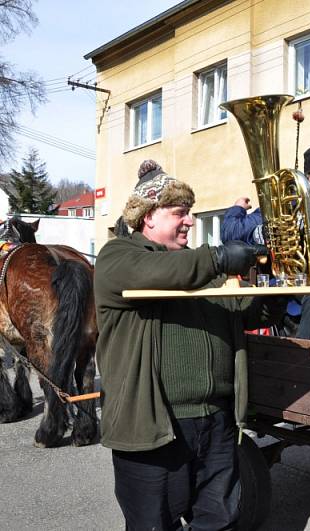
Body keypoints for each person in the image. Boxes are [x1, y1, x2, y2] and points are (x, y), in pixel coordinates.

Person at [94, 160, 278, 530]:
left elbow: (245, 313)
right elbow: (160, 273)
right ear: (147, 217)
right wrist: (221, 257)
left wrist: (277, 274)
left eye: (190, 213)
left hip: (216, 422)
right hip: (154, 427)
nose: (190, 221)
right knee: (154, 523)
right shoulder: (118, 257)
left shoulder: (195, 268)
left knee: (219, 521)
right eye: (180, 212)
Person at [221, 146, 310, 339]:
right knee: (252, 301)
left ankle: (300, 362)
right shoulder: (286, 199)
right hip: (286, 281)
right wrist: (241, 213)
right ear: (307, 174)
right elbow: (232, 234)